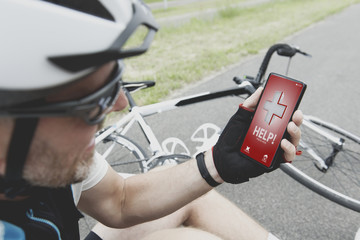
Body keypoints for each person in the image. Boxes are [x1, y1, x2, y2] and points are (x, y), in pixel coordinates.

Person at [0, 0, 303, 239]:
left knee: (191, 193)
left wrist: (217, 163)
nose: (120, 104)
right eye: (95, 99)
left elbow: (118, 200)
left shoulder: (47, 152)